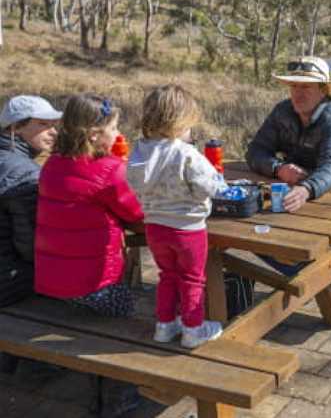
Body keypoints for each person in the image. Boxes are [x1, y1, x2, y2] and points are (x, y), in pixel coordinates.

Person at [126, 85, 227, 348]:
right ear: (180, 123)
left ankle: (165, 325)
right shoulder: (186, 154)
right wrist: (220, 182)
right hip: (188, 229)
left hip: (155, 227)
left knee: (167, 275)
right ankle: (193, 329)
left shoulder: (139, 152)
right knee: (193, 279)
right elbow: (210, 187)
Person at [245, 57, 331, 277]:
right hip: (294, 190)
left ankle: (300, 272)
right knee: (248, 226)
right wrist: (278, 168)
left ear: (323, 90)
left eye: (306, 86)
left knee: (292, 255)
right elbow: (255, 151)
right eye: (294, 86)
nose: (298, 93)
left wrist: (307, 188)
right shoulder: (282, 112)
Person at [35, 95, 144, 317]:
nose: (118, 133)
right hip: (98, 285)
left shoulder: (52, 163)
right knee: (133, 313)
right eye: (113, 128)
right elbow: (137, 213)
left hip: (54, 283)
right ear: (94, 134)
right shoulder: (109, 170)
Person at [0, 95, 61, 307]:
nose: (53, 132)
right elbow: (31, 247)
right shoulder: (25, 173)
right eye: (43, 124)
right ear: (15, 128)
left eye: (54, 125)